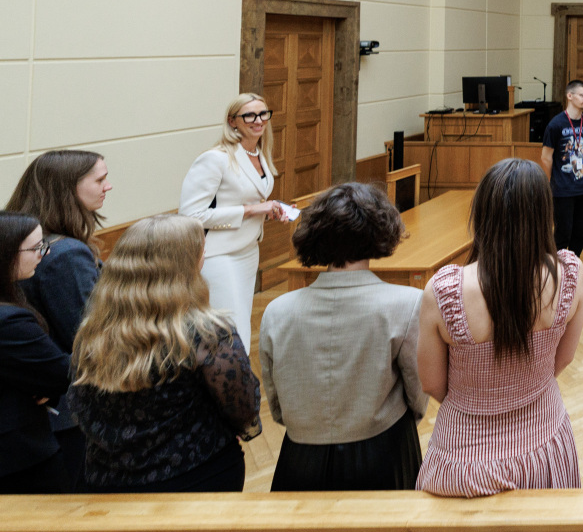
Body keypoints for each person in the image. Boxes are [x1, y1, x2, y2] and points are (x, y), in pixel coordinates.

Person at [416, 158, 583, 495]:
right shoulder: (569, 273)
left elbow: (432, 383)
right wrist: (526, 386)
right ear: (544, 216)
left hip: (463, 463)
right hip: (544, 450)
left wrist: (478, 399)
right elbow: (563, 359)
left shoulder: (443, 291)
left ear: (482, 214)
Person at [71, 215, 262, 492]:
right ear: (185, 265)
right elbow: (243, 407)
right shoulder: (207, 332)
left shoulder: (92, 331)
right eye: (201, 251)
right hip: (195, 476)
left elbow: (81, 406)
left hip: (108, 480)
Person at [259, 182, 428, 491]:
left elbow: (277, 402)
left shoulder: (276, 311)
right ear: (381, 232)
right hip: (384, 452)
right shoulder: (407, 303)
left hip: (300, 456)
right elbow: (417, 392)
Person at [7, 149, 112, 487]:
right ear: (67, 189)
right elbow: (90, 338)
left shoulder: (30, 240)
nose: (108, 186)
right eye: (99, 179)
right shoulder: (65, 253)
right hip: (67, 416)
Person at [180, 92, 287, 345]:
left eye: (263, 114)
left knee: (242, 323)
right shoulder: (215, 158)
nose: (258, 120)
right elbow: (190, 215)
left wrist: (270, 210)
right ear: (232, 121)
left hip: (248, 251)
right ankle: (232, 369)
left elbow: (248, 200)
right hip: (219, 254)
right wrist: (250, 210)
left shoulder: (259, 153)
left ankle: (241, 367)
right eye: (249, 115)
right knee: (230, 327)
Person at [0, 212, 73, 494]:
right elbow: (62, 374)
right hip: (20, 456)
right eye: (36, 248)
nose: (44, 253)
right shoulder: (10, 321)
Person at [541, 79, 583, 256]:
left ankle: (574, 266)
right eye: (582, 95)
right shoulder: (555, 124)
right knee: (562, 234)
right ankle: (557, 268)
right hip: (563, 190)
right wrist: (551, 183)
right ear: (570, 96)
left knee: (579, 234)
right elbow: (545, 157)